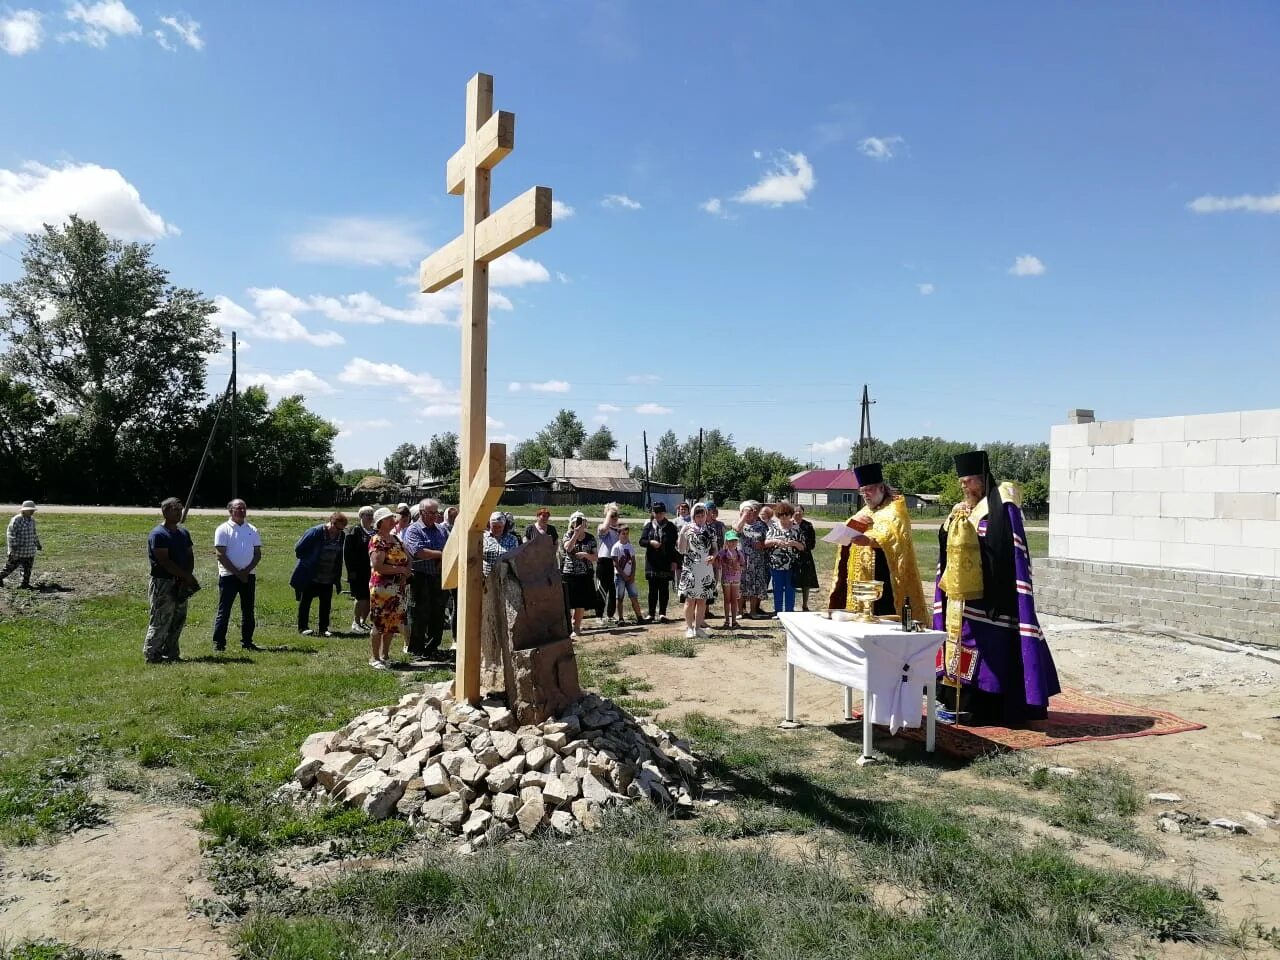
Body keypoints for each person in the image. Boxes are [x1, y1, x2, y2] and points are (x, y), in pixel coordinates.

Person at [934, 450, 1061, 727]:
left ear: (981, 479)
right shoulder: (962, 506)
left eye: (967, 481)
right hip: (961, 598)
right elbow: (947, 543)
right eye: (961, 482)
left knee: (990, 651)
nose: (963, 486)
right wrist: (954, 524)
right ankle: (957, 700)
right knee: (960, 645)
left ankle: (988, 708)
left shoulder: (1002, 505)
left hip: (993, 595)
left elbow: (1008, 547)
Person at [828, 463, 927, 621]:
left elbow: (895, 536)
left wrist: (870, 540)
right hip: (861, 578)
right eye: (863, 491)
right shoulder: (865, 511)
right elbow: (845, 536)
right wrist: (852, 525)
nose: (866, 495)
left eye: (870, 490)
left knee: (884, 617)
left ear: (881, 488)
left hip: (885, 576)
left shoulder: (895, 510)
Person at [143, 497, 197, 664]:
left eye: (180, 509)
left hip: (182, 581)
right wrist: (184, 575)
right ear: (165, 512)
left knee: (178, 618)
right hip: (163, 582)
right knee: (161, 619)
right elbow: (164, 561)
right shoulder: (158, 534)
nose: (179, 513)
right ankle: (152, 654)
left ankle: (171, 653)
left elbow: (189, 554)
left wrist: (187, 575)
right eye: (176, 510)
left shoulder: (183, 533)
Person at [211, 499, 262, 652]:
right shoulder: (222, 529)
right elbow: (220, 554)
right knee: (224, 610)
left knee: (248, 610)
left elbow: (257, 554)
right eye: (238, 508)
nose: (242, 511)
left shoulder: (252, 529)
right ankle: (219, 643)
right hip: (228, 576)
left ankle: (247, 642)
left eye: (244, 508)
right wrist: (237, 572)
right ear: (230, 510)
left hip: (248, 576)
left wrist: (246, 572)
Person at [403, 498, 448, 660]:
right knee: (418, 613)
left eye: (436, 512)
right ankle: (416, 649)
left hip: (438, 577)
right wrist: (441, 555)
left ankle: (432, 648)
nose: (435, 516)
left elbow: (450, 547)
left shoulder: (441, 530)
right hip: (419, 577)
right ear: (422, 513)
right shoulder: (413, 530)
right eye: (431, 513)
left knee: (437, 612)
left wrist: (442, 558)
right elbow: (419, 552)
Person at [368, 506, 412, 669]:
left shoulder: (396, 539)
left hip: (397, 587)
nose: (393, 520)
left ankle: (385, 655)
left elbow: (407, 557)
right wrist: (400, 569)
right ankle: (375, 657)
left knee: (392, 622)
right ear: (381, 522)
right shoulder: (377, 540)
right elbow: (378, 566)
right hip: (381, 588)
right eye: (389, 518)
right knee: (379, 622)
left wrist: (406, 571)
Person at [291, 512, 347, 637]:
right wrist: (309, 561)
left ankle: (323, 628)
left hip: (328, 575)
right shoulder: (316, 531)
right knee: (306, 601)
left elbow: (339, 555)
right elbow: (298, 549)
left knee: (326, 603)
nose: (338, 531)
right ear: (331, 522)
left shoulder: (341, 536)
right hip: (311, 574)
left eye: (341, 529)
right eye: (337, 528)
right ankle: (303, 627)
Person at [678, 502, 717, 639]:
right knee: (690, 600)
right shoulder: (687, 529)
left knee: (702, 600)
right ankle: (689, 628)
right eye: (698, 515)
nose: (700, 518)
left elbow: (715, 549)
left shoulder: (710, 530)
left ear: (706, 515)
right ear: (693, 516)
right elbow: (681, 550)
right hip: (690, 568)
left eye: (703, 515)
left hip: (705, 568)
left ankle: (698, 627)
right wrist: (682, 534)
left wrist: (713, 556)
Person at [764, 500, 806, 615]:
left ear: (790, 514)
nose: (784, 517)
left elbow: (802, 547)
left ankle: (789, 612)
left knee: (790, 588)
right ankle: (778, 612)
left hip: (792, 564)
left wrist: (793, 543)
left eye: (786, 514)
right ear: (778, 515)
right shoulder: (773, 527)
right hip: (776, 563)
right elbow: (765, 543)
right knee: (777, 588)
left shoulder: (796, 528)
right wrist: (775, 541)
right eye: (781, 514)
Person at [560, 511, 598, 638]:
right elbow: (568, 548)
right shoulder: (567, 535)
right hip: (569, 572)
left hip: (584, 573)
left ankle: (577, 627)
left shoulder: (590, 538)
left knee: (580, 602)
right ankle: (568, 626)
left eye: (581, 522)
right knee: (569, 601)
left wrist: (585, 555)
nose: (579, 525)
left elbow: (595, 557)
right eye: (576, 522)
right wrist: (576, 533)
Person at [640, 502, 678, 622]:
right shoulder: (649, 525)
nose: (658, 515)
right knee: (652, 589)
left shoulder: (671, 526)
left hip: (666, 561)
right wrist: (650, 542)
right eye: (656, 512)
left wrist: (674, 561)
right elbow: (642, 541)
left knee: (663, 588)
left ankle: (662, 613)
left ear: (664, 513)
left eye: (660, 512)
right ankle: (651, 614)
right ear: (653, 513)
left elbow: (673, 546)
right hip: (652, 562)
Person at [735, 500, 770, 619]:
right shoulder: (739, 524)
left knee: (755, 586)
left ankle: (753, 611)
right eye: (745, 512)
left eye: (750, 512)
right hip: (742, 561)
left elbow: (767, 541)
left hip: (757, 560)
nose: (749, 514)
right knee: (741, 586)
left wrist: (762, 545)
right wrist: (744, 515)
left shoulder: (761, 526)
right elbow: (736, 531)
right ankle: (740, 611)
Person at [345, 506, 376, 632]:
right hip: (358, 570)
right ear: (361, 516)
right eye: (366, 514)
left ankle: (363, 621)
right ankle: (356, 621)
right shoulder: (354, 531)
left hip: (372, 570)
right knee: (360, 597)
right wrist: (351, 570)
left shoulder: (375, 532)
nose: (369, 517)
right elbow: (348, 553)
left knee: (370, 597)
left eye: (371, 514)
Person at [1, 500, 42, 589]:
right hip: (17, 551)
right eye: (30, 510)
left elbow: (34, 533)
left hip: (29, 551)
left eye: (33, 510)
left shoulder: (32, 520)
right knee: (9, 568)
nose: (32, 512)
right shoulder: (16, 519)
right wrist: (13, 546)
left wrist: (37, 544)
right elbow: (10, 534)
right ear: (24, 510)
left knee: (27, 569)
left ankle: (24, 584)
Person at [611, 523, 645, 625]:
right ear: (619, 534)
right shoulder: (616, 547)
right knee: (619, 597)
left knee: (633, 596)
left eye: (627, 533)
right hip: (620, 576)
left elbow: (633, 561)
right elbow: (615, 564)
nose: (625, 535)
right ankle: (621, 618)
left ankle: (639, 617)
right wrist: (624, 575)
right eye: (623, 534)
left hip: (630, 575)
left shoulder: (630, 546)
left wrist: (632, 575)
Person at [595, 504, 622, 621]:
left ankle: (610, 615)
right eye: (612, 516)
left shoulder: (618, 529)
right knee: (602, 589)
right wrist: (609, 515)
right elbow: (603, 529)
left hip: (614, 561)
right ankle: (599, 616)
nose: (614, 518)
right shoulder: (602, 526)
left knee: (612, 590)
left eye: (616, 515)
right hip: (603, 561)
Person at [793, 505, 819, 611]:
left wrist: (802, 546)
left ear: (803, 513)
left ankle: (805, 605)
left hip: (805, 556)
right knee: (791, 582)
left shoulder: (808, 525)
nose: (798, 513)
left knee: (806, 582)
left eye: (800, 511)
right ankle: (791, 605)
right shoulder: (789, 524)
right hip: (791, 557)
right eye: (795, 511)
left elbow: (812, 544)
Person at [717, 529, 745, 629]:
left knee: (734, 600)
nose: (733, 543)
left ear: (737, 542)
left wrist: (739, 567)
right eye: (730, 541)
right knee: (726, 600)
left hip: (736, 579)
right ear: (726, 542)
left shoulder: (739, 553)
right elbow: (717, 563)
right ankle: (726, 620)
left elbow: (743, 565)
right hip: (726, 579)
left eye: (734, 540)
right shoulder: (722, 553)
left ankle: (733, 621)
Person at [482, 510, 520, 576]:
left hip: (505, 578)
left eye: (500, 527)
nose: (497, 529)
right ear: (490, 525)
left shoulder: (512, 539)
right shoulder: (483, 537)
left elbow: (515, 560)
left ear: (504, 525)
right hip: (486, 577)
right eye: (494, 526)